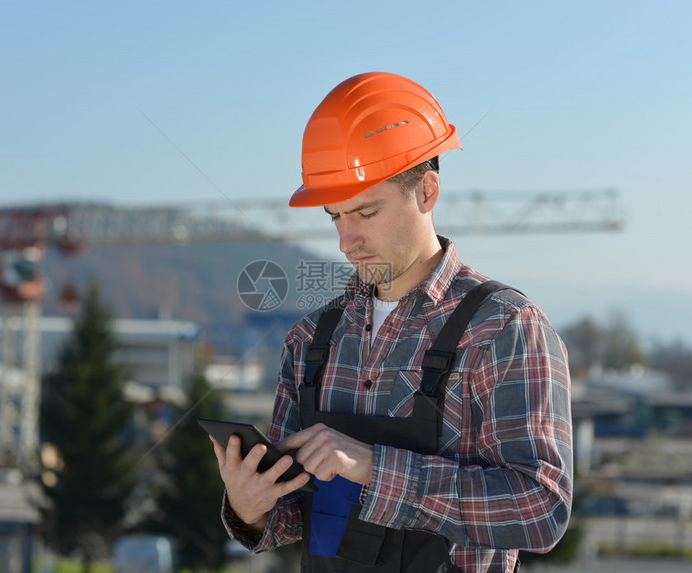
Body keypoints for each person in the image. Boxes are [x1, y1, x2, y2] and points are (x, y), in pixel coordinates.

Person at [210, 72, 573, 573]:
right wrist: (250, 506)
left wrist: (372, 468)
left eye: (366, 212)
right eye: (336, 217)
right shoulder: (311, 340)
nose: (345, 240)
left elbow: (541, 510)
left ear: (427, 191)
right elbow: (293, 517)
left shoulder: (504, 329)